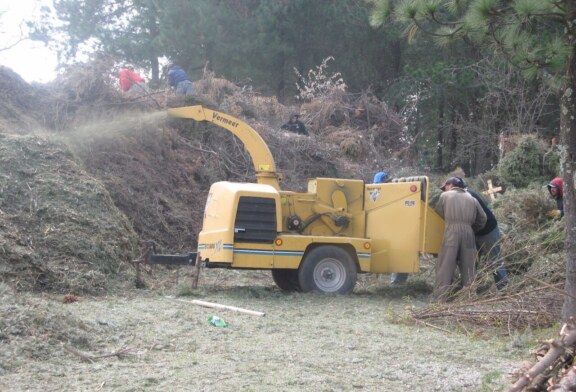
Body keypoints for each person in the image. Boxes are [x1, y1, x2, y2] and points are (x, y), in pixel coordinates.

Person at [433, 177, 487, 301]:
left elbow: (439, 212)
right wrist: (471, 228)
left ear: (451, 185)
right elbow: (483, 218)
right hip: (469, 233)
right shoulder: (472, 199)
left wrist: (452, 221)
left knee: (446, 265)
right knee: (468, 266)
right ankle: (469, 297)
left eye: (445, 186)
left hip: (452, 231)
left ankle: (441, 298)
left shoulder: (445, 196)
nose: (444, 189)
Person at [453, 177, 509, 290]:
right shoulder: (460, 197)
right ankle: (467, 289)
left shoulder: (468, 197)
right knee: (471, 260)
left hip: (488, 231)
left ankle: (503, 289)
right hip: (476, 232)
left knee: (494, 260)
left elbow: (481, 219)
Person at [372, 171, 409, 284]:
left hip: (392, 229)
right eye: (386, 182)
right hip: (389, 229)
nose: (389, 183)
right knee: (400, 254)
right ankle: (397, 281)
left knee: (400, 254)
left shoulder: (375, 192)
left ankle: (397, 281)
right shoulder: (378, 193)